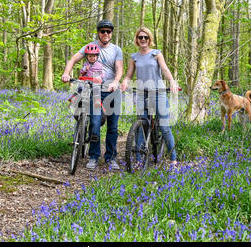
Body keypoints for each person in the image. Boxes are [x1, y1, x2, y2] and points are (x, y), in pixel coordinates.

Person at [62, 19, 123, 170]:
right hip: (95, 91)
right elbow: (74, 59)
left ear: (111, 33)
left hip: (112, 91)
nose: (106, 34)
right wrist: (66, 73)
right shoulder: (90, 46)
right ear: (98, 33)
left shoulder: (116, 50)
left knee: (113, 127)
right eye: (103, 31)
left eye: (108, 31)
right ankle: (93, 156)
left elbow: (119, 68)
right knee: (95, 123)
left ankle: (111, 157)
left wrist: (116, 81)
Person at [120, 27, 179, 167]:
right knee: (141, 126)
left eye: (145, 37)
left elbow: (165, 69)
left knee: (164, 127)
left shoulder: (156, 54)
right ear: (137, 39)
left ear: (149, 39)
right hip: (141, 93)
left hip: (158, 92)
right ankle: (139, 160)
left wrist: (172, 81)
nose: (143, 40)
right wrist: (124, 82)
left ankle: (173, 160)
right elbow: (129, 75)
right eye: (140, 37)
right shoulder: (134, 57)